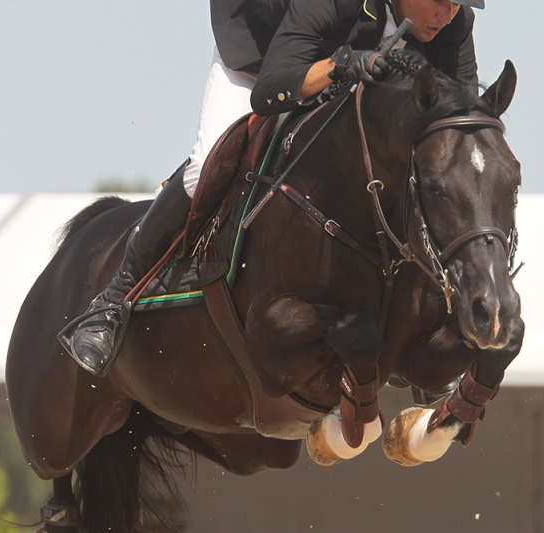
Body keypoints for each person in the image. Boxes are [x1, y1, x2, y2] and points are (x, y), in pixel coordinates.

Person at [63, 0, 485, 376]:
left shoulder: (453, 23)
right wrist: (340, 65)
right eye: (440, 0)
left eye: (457, 3)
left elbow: (461, 133)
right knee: (204, 163)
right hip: (265, 57)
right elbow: (267, 93)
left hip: (336, 70)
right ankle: (113, 301)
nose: (448, 12)